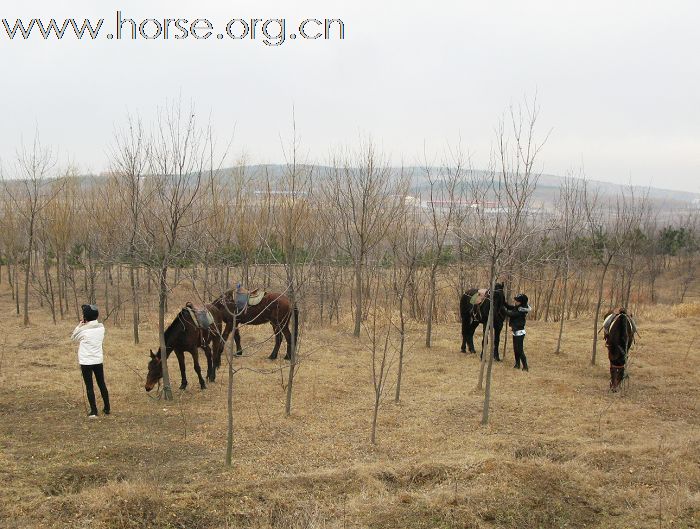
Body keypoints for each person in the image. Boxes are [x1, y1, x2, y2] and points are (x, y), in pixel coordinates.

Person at [71, 304, 110, 418]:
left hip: (86, 362)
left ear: (86, 317)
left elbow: (73, 337)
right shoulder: (101, 328)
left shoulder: (83, 331)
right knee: (101, 383)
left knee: (89, 386)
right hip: (98, 360)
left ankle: (94, 411)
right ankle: (107, 408)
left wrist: (80, 325)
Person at [502, 293, 531, 371]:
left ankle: (525, 366)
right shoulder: (518, 307)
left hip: (520, 332)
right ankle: (517, 364)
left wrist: (503, 310)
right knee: (515, 348)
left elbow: (511, 314)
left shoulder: (521, 310)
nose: (515, 302)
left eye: (517, 301)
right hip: (515, 331)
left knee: (520, 350)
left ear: (521, 302)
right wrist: (503, 302)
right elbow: (509, 307)